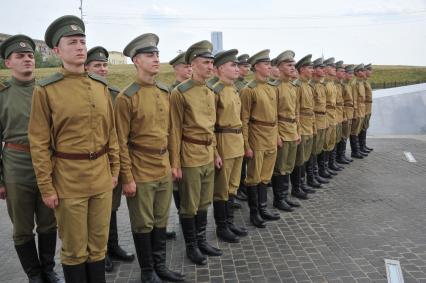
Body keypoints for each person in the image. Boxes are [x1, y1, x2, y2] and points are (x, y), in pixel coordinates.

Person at [28, 15, 120, 282]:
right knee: (74, 251)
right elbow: (39, 143)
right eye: (72, 42)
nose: (80, 46)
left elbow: (110, 133)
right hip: (69, 180)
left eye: (82, 41)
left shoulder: (100, 86)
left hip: (101, 177)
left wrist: (114, 170)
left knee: (98, 247)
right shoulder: (46, 90)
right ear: (57, 50)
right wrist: (46, 187)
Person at [114, 33, 185, 282]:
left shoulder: (165, 91)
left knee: (160, 219)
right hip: (140, 168)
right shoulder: (126, 97)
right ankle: (147, 272)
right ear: (136, 61)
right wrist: (127, 177)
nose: (156, 59)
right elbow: (120, 141)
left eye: (156, 54)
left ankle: (160, 267)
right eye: (149, 55)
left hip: (163, 166)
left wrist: (175, 163)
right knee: (142, 223)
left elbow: (172, 132)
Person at [0, 34, 62, 283]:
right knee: (23, 228)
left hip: (47, 165)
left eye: (29, 55)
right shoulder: (3, 96)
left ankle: (48, 270)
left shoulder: (46, 91)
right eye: (20, 56)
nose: (27, 59)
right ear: (8, 63)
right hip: (17, 167)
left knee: (49, 222)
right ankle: (34, 275)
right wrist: (1, 180)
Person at [169, 40, 222, 265]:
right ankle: (191, 246)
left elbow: (211, 128)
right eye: (205, 62)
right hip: (189, 154)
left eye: (211, 62)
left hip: (208, 153)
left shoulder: (210, 91)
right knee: (189, 205)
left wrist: (216, 153)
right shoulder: (180, 93)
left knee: (203, 202)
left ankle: (201, 241)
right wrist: (175, 163)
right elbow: (174, 130)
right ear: (193, 64)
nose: (210, 67)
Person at [84, 46, 135, 272]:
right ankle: (99, 252)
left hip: (110, 159)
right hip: (88, 162)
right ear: (86, 68)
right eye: (97, 65)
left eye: (105, 65)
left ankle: (112, 246)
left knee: (112, 207)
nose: (102, 69)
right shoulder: (82, 93)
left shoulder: (114, 93)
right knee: (93, 211)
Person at [211, 49, 248, 243]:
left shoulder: (233, 89)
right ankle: (222, 227)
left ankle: (230, 222)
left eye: (236, 65)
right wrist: (215, 151)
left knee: (233, 185)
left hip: (236, 141)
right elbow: (210, 125)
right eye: (232, 65)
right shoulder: (215, 90)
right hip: (223, 140)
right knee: (222, 188)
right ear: (219, 69)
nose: (237, 68)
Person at [240, 49, 281, 228]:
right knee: (254, 177)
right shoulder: (249, 90)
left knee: (265, 176)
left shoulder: (272, 88)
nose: (269, 66)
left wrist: (278, 135)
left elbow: (276, 115)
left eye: (269, 63)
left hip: (271, 136)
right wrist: (246, 144)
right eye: (266, 64)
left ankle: (263, 208)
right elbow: (244, 119)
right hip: (256, 137)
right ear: (256, 67)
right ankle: (254, 212)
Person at [270, 50, 302, 212]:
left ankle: (285, 196)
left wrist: (297, 131)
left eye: (293, 65)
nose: (292, 68)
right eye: (288, 65)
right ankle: (279, 199)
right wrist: (276, 135)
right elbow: (273, 115)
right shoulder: (275, 87)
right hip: (281, 130)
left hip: (291, 130)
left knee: (288, 165)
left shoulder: (292, 87)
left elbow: (296, 112)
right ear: (280, 67)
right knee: (280, 167)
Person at [290, 54, 315, 200]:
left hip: (308, 124)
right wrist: (298, 129)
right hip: (301, 126)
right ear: (302, 69)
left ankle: (302, 182)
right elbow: (297, 110)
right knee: (299, 158)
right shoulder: (298, 86)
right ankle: (297, 187)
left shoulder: (307, 85)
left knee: (305, 156)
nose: (312, 70)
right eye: (310, 68)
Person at [309, 58, 329, 184]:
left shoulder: (321, 85)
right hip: (315, 120)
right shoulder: (311, 86)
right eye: (321, 68)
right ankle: (311, 177)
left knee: (319, 149)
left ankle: (317, 173)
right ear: (315, 70)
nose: (324, 70)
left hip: (322, 120)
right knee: (312, 151)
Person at [234, 53, 250, 203]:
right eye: (244, 66)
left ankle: (242, 187)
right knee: (239, 163)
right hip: (234, 128)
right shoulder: (236, 86)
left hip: (243, 127)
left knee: (243, 162)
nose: (247, 68)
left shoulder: (243, 84)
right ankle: (238, 189)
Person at [350, 64, 368, 158]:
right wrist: (355, 112)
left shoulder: (360, 83)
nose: (363, 72)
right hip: (358, 110)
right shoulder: (355, 83)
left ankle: (359, 149)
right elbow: (354, 99)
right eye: (361, 70)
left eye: (363, 70)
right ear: (356, 72)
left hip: (362, 109)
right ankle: (355, 151)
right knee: (354, 131)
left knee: (358, 130)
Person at [341, 64, 355, 162]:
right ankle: (339, 157)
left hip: (349, 112)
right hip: (344, 113)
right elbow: (342, 102)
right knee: (342, 135)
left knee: (345, 135)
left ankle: (341, 155)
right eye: (349, 73)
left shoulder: (348, 85)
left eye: (352, 73)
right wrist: (344, 115)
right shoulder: (342, 85)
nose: (351, 75)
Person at [360, 63, 374, 152]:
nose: (372, 72)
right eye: (370, 70)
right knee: (361, 127)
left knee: (365, 127)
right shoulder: (362, 83)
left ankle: (363, 145)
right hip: (363, 108)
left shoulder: (366, 81)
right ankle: (359, 148)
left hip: (367, 107)